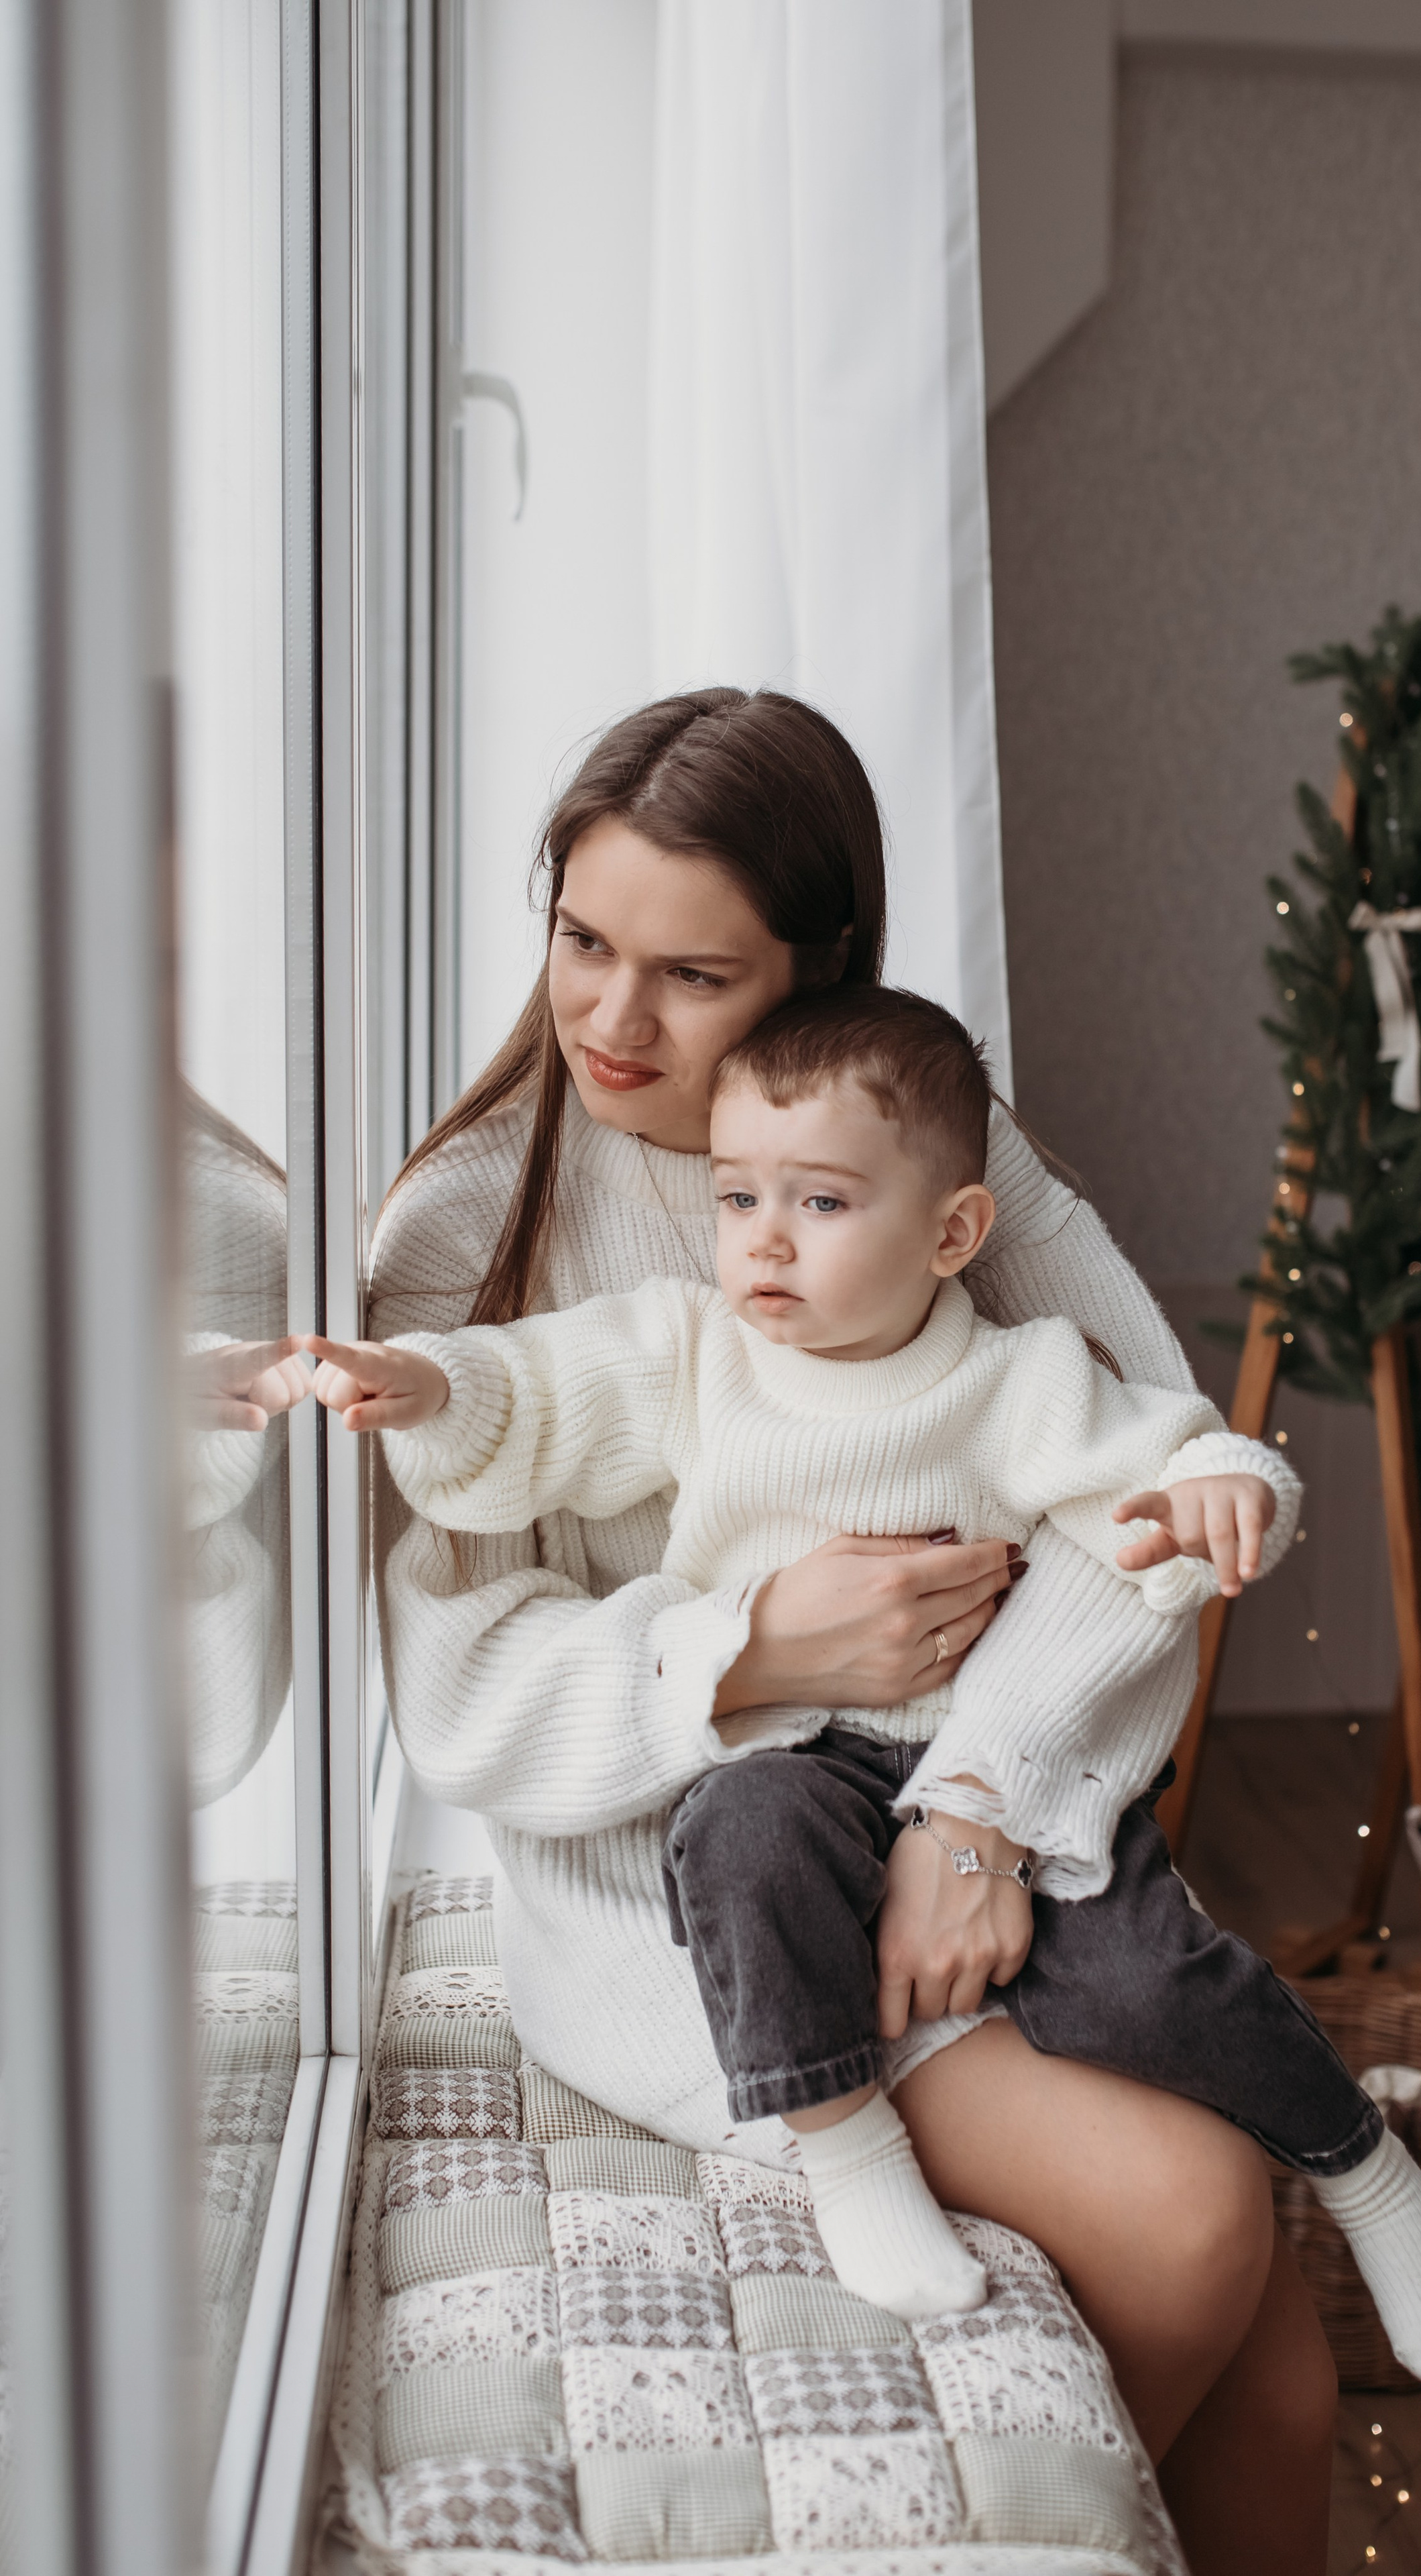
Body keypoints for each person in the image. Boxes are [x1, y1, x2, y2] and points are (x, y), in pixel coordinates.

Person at [362, 686, 1339, 2574]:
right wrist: (752, 1649)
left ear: (821, 970)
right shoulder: (464, 1235)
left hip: (967, 1839)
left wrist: (976, 1806)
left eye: (692, 975)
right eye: (581, 940)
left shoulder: (935, 1167)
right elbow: (461, 1692)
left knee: (1290, 2384)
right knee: (1206, 2217)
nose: (610, 1022)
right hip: (697, 1902)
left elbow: (1149, 1501)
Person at [312, 986, 1421, 2384]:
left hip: (975, 1766)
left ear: (949, 1234)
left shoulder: (1018, 1379)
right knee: (735, 1843)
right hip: (797, 1758)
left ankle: (1359, 2166)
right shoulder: (698, 1351)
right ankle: (848, 2146)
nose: (761, 1238)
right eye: (736, 1195)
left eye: (817, 1204)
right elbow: (545, 1392)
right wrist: (425, 1384)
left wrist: (1226, 1487)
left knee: (1147, 1985)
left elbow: (1163, 1454)